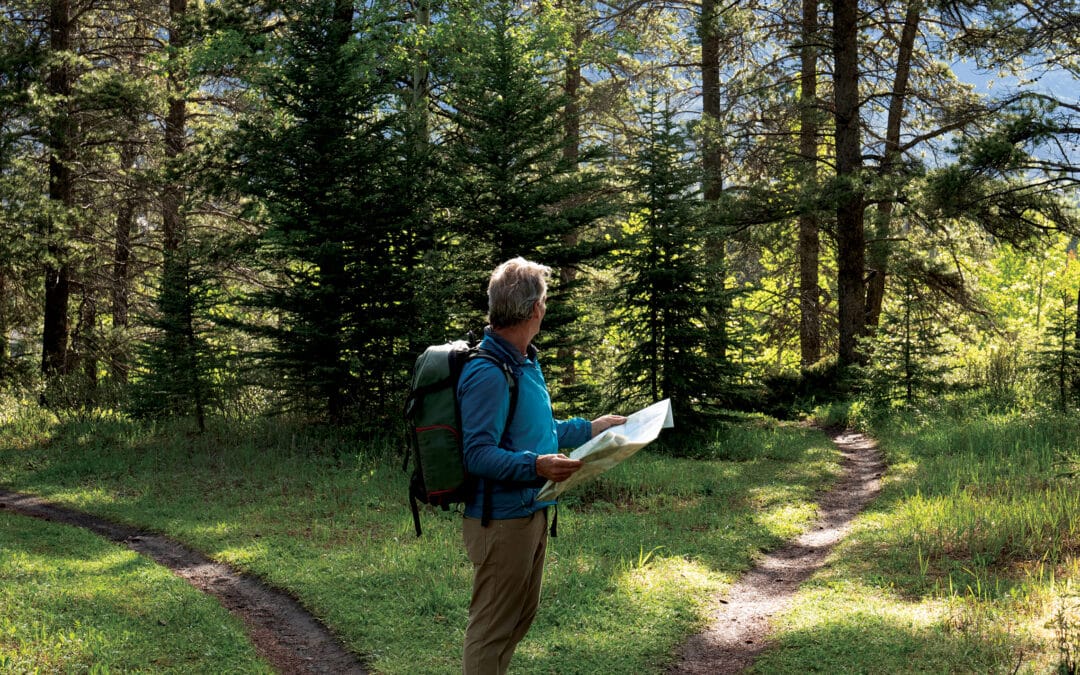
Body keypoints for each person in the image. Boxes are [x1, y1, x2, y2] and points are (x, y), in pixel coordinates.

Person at [457, 257, 625, 674]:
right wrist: (537, 467)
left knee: (518, 619)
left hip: (531, 511)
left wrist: (590, 428)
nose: (545, 308)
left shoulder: (523, 361)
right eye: (545, 300)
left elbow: (538, 428)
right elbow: (477, 453)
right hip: (501, 522)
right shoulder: (489, 371)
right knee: (491, 629)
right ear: (534, 309)